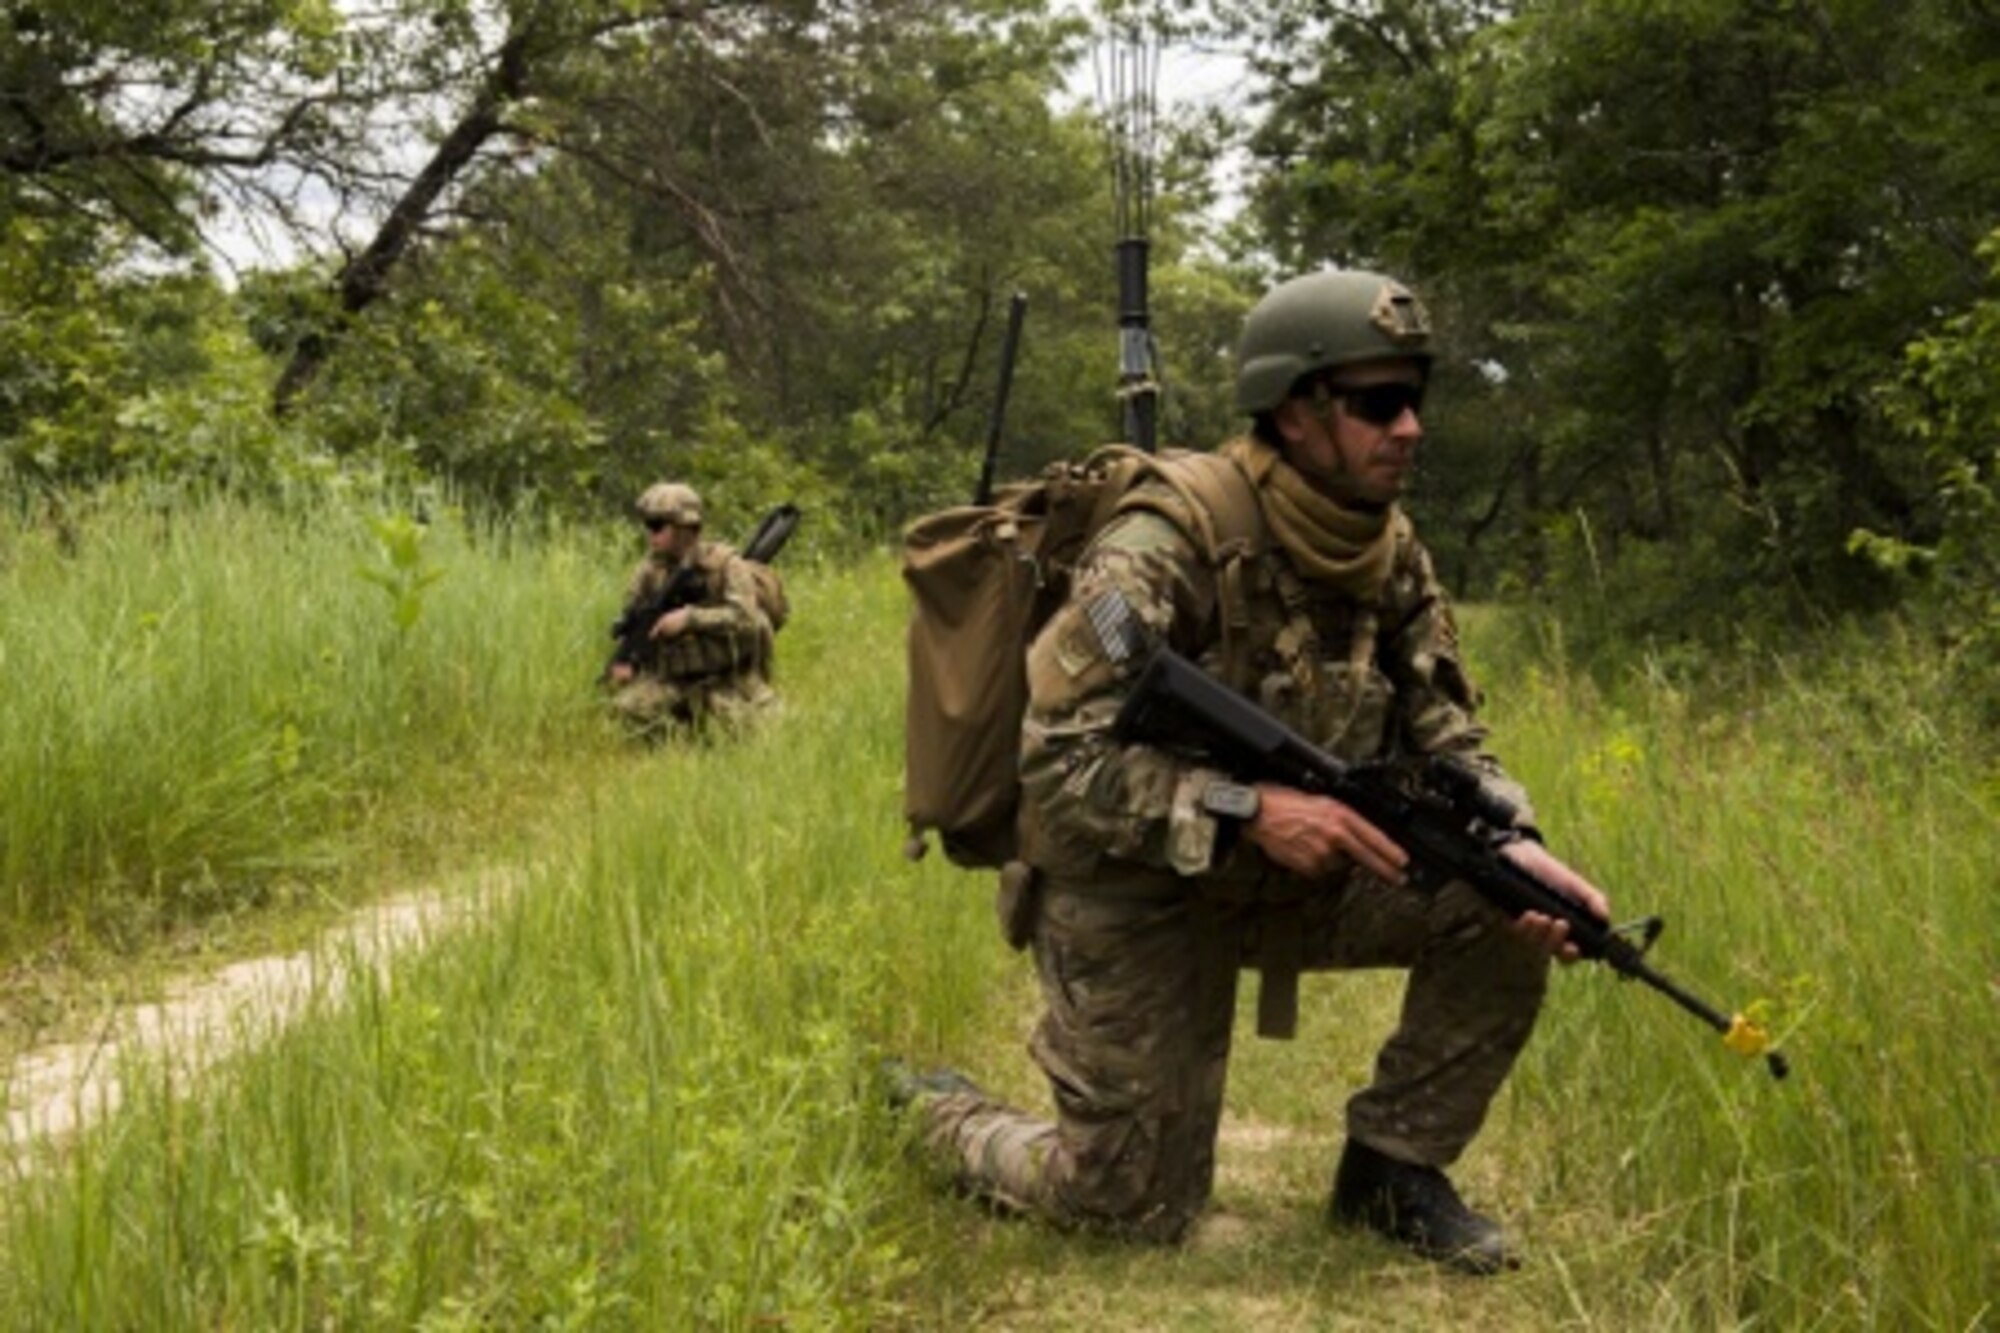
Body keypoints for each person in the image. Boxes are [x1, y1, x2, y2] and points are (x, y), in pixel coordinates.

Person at [901, 270, 1611, 1274]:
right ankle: (939, 1114)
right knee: (1123, 1206)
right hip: (1132, 887)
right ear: (1293, 408)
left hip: (1289, 875)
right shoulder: (1162, 543)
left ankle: (1390, 1173)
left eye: (1414, 399)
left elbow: (1451, 742)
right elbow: (1059, 766)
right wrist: (1243, 807)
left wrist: (1519, 842)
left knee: (1494, 898)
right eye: (1375, 403)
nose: (1406, 427)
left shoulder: (1389, 554)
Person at [606, 481, 778, 735]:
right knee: (626, 711)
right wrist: (626, 661)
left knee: (761, 734)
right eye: (647, 526)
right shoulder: (649, 572)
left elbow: (746, 618)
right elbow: (636, 625)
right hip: (674, 679)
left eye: (657, 526)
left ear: (685, 528)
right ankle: (681, 737)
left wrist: (690, 619)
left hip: (728, 679)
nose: (650, 534)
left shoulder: (726, 565)